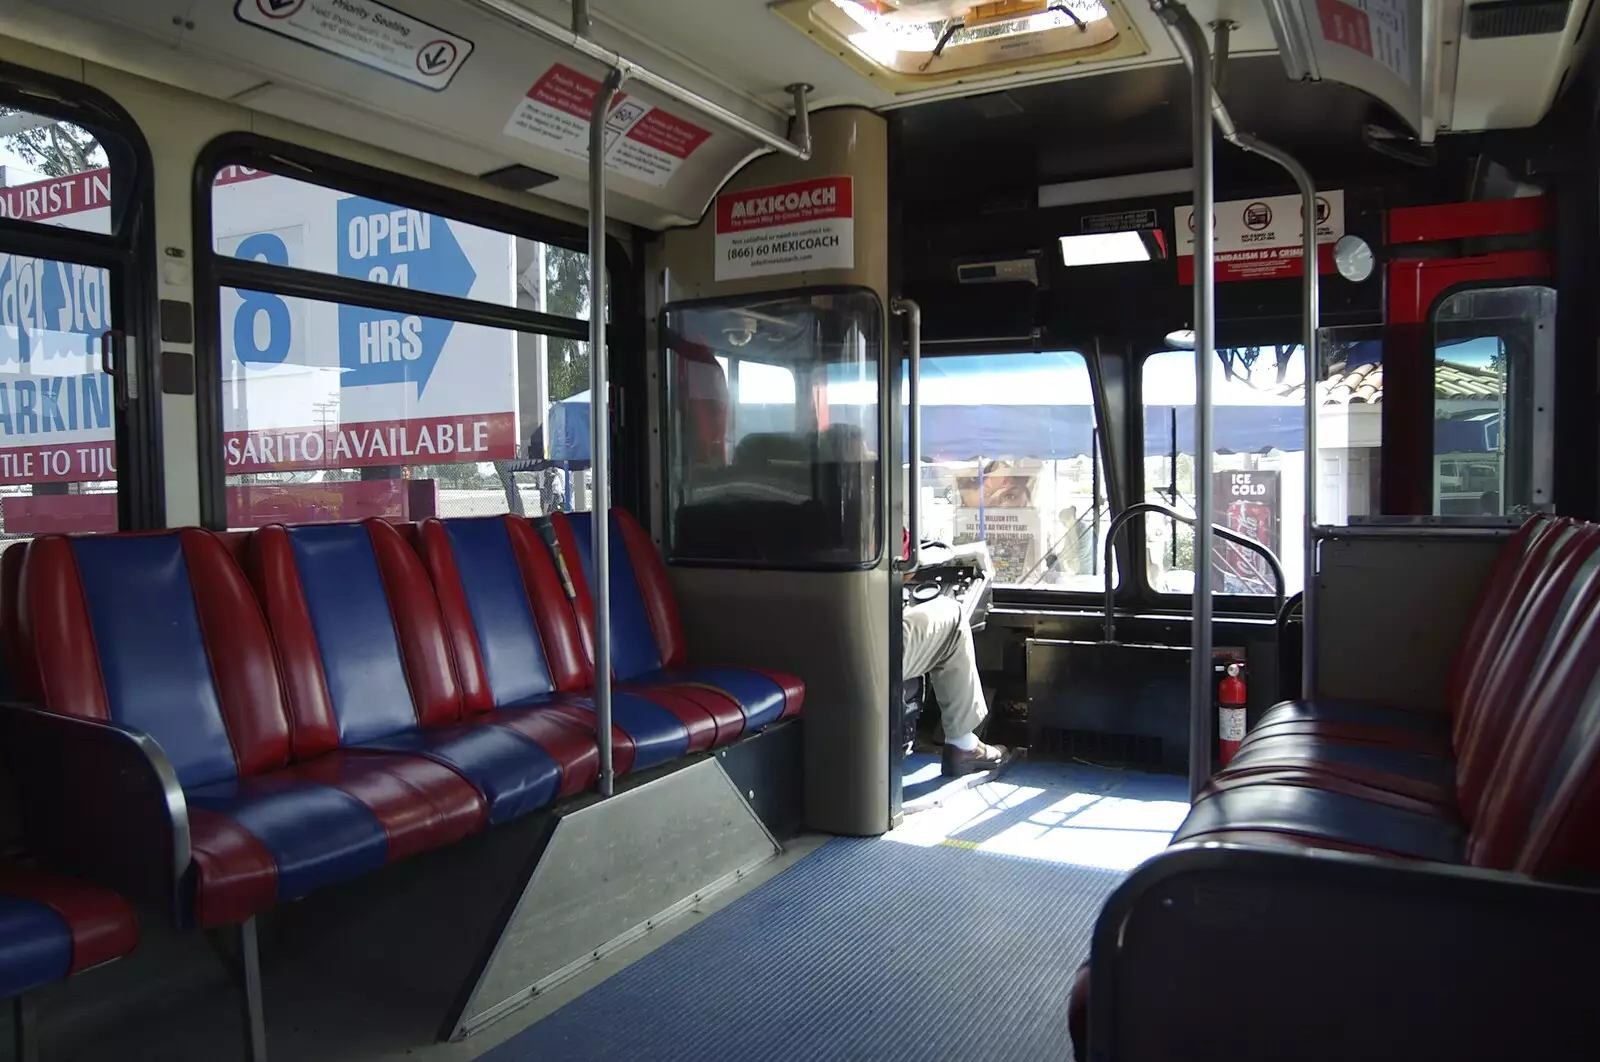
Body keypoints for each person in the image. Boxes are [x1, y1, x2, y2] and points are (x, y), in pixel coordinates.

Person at [902, 531, 1013, 777]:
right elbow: (902, 561)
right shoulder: (868, 509)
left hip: (803, 646)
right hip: (860, 648)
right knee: (952, 613)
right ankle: (964, 746)